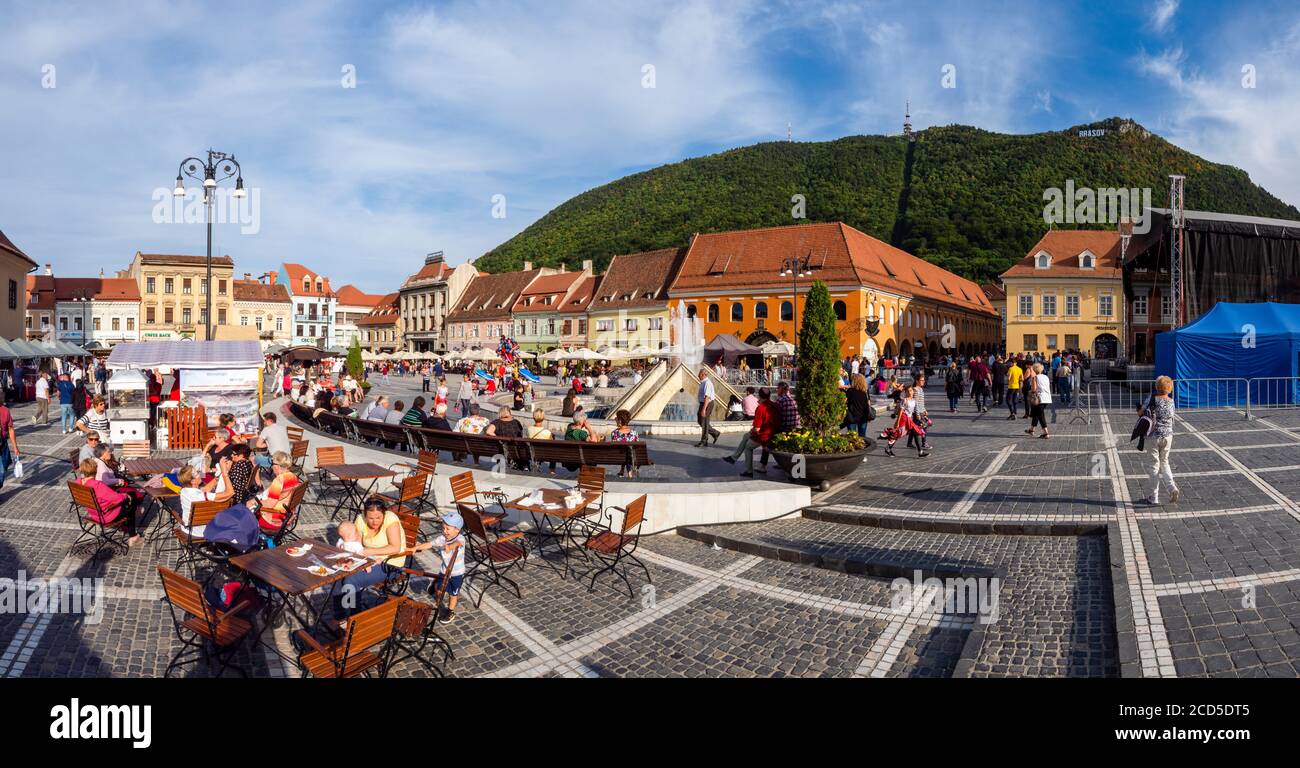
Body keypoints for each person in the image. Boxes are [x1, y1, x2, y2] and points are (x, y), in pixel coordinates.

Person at [333, 497, 432, 619]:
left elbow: (395, 548)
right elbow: (357, 545)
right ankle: (342, 615)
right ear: (365, 515)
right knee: (340, 574)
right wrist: (352, 559)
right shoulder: (360, 519)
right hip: (369, 560)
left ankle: (352, 617)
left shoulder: (390, 519)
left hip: (391, 563)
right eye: (370, 518)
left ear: (384, 514)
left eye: (378, 518)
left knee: (352, 580)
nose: (374, 522)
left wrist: (370, 552)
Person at [75, 458, 141, 546]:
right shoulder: (97, 485)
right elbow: (117, 499)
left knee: (127, 499)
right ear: (95, 470)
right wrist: (126, 496)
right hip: (106, 515)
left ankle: (126, 526)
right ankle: (133, 536)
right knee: (131, 500)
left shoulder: (78, 482)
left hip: (93, 512)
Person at [1142, 376, 1180, 505]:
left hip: (1153, 435)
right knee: (1165, 462)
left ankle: (1154, 496)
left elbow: (1141, 413)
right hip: (1168, 436)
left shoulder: (1152, 399)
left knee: (1154, 465)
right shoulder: (1171, 401)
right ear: (1169, 389)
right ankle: (1172, 487)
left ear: (1157, 387)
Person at [723, 388, 777, 476]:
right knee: (746, 436)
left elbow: (756, 429)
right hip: (774, 433)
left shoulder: (761, 408)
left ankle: (749, 471)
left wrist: (752, 431)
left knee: (748, 447)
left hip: (764, 436)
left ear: (759, 396)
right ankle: (733, 458)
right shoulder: (774, 405)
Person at [425, 510, 467, 624]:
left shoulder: (461, 538)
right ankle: (436, 585)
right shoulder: (441, 538)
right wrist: (415, 548)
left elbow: (457, 544)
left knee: (453, 594)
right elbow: (430, 544)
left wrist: (449, 547)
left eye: (448, 529)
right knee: (439, 591)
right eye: (443, 528)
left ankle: (450, 611)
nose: (444, 531)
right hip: (444, 571)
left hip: (457, 574)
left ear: (457, 530)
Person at [255, 452, 300, 533]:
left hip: (276, 519)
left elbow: (269, 504)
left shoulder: (279, 480)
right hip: (289, 516)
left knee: (247, 514)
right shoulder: (293, 476)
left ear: (278, 466)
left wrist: (255, 503)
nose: (271, 466)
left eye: (272, 463)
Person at [607, 409, 640, 477]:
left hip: (619, 457)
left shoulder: (614, 433)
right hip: (632, 458)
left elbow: (616, 449)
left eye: (616, 418)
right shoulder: (635, 433)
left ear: (620, 421)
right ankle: (629, 472)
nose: (615, 419)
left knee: (624, 451)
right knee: (629, 451)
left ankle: (622, 470)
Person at [1025, 362, 1052, 438]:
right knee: (1036, 414)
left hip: (1039, 399)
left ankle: (1046, 433)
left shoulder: (1035, 378)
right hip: (1047, 397)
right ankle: (1031, 429)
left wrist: (1030, 391)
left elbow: (1033, 389)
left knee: (1040, 415)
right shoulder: (1046, 377)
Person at [695, 368, 719, 447]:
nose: (698, 376)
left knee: (704, 421)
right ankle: (715, 433)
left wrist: (704, 409)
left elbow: (707, 397)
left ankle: (704, 440)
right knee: (700, 420)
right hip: (703, 403)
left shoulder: (707, 383)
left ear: (703, 375)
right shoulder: (703, 382)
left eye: (699, 374)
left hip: (707, 404)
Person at [843, 374, 872, 438]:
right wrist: (868, 415)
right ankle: (863, 448)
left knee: (852, 437)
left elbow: (844, 402)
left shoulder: (850, 391)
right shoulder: (865, 391)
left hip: (852, 416)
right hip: (863, 417)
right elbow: (868, 404)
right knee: (862, 436)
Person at [0, 400, 18, 494]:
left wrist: (15, 447)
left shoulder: (5, 410)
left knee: (2, 472)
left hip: (2, 445)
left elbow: (10, 429)